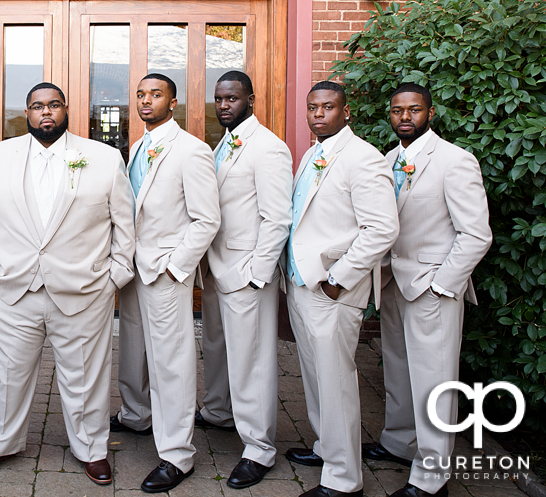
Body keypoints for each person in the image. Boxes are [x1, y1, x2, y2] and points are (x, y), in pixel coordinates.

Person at [0, 82, 135, 485]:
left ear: (66, 109)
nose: (46, 113)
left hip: (83, 291)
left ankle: (92, 449)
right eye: (38, 106)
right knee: (6, 373)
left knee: (85, 376)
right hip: (12, 288)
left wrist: (113, 277)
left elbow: (124, 227)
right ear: (26, 113)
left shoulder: (104, 158)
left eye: (54, 105)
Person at [363, 83, 492, 497]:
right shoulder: (387, 160)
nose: (405, 118)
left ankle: (432, 478)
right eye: (398, 111)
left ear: (429, 114)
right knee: (399, 372)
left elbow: (476, 234)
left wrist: (442, 285)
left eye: (414, 110)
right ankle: (400, 443)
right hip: (395, 284)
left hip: (434, 289)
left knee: (435, 381)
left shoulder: (455, 161)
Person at [284, 81, 399, 497]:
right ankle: (326, 447)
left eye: (328, 107)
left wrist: (339, 279)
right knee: (316, 377)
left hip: (332, 288)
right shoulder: (314, 153)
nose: (318, 114)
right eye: (312, 107)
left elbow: (383, 228)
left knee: (336, 380)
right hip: (302, 282)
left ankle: (344, 479)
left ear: (346, 112)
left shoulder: (362, 158)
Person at [121, 74, 220, 492]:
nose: (146, 101)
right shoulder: (137, 146)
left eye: (155, 94)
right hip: (132, 269)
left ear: (173, 102)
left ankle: (178, 456)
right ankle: (136, 417)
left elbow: (207, 219)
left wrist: (177, 267)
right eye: (141, 95)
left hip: (164, 270)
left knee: (171, 363)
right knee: (132, 352)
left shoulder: (192, 151)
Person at [203, 71, 293, 489]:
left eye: (232, 99)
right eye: (219, 99)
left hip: (245, 273)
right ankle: (219, 414)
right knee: (219, 349)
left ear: (251, 100)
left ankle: (259, 449)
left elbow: (278, 218)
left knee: (251, 361)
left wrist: (256, 275)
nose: (224, 105)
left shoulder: (269, 148)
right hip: (217, 269)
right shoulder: (222, 145)